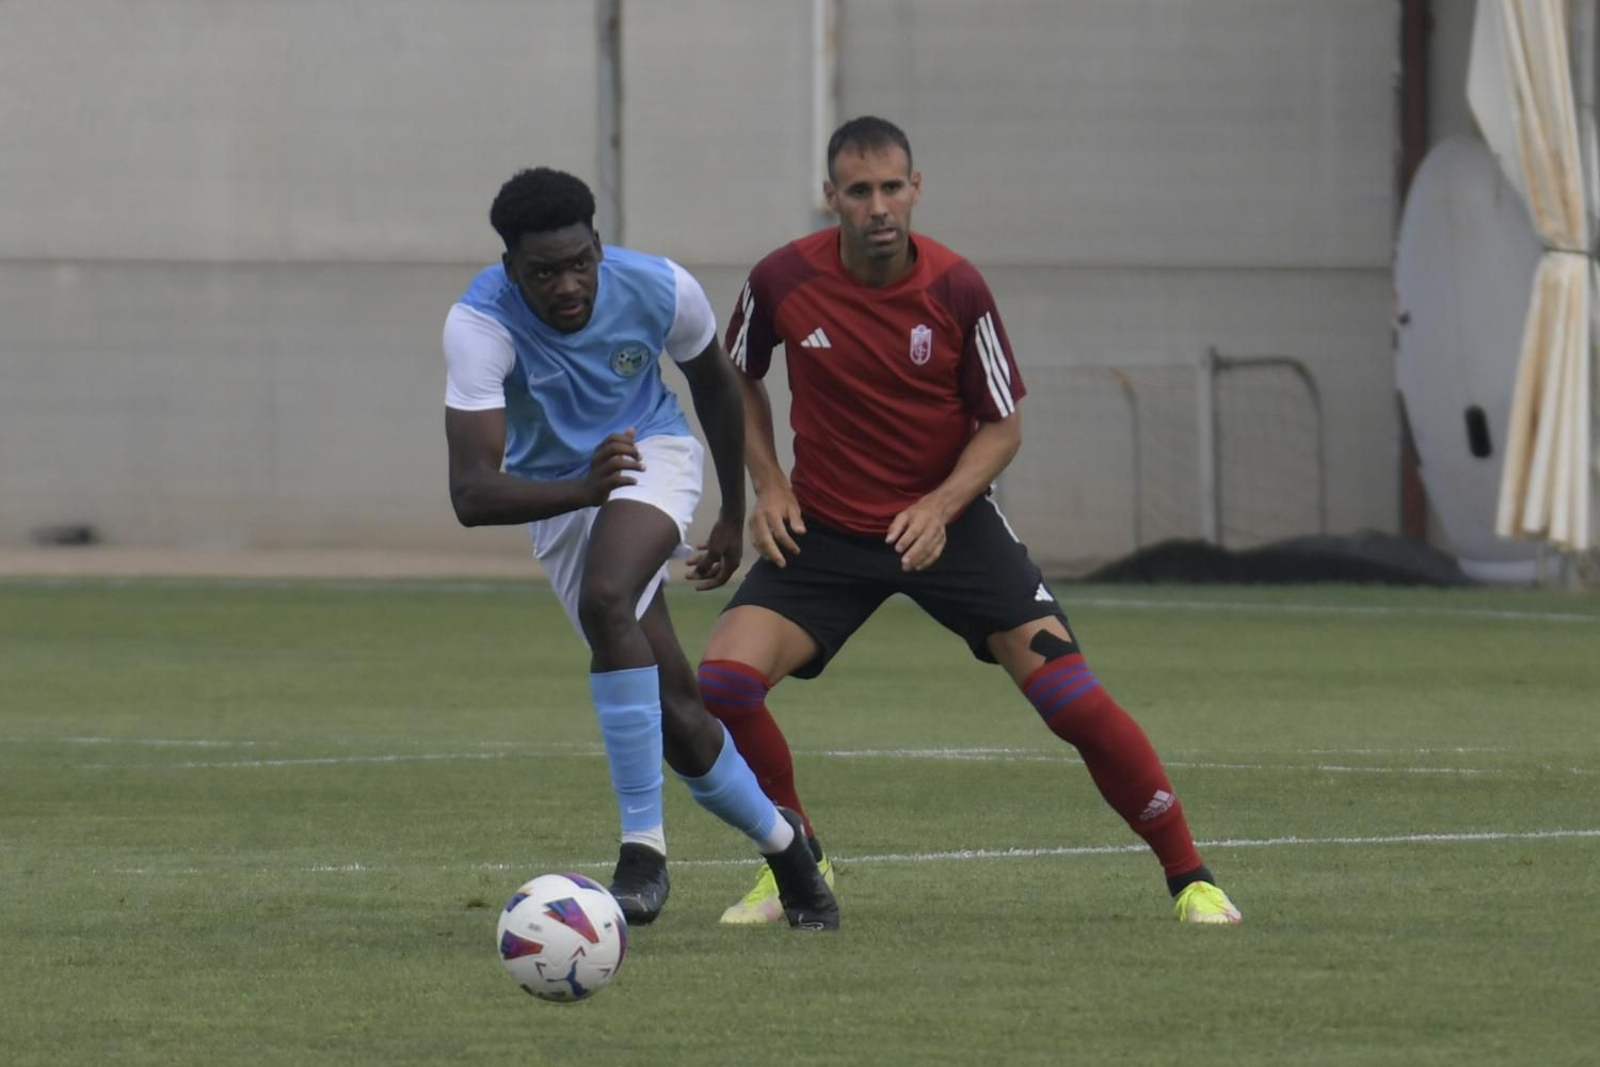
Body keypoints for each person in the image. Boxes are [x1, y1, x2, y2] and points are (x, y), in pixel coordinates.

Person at [697, 117, 1242, 926]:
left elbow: (1004, 425)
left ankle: (1190, 876)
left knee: (1074, 701)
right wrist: (770, 483)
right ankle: (797, 863)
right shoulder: (780, 280)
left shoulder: (957, 287)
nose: (878, 206)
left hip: (952, 528)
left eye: (892, 188)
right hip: (827, 531)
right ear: (831, 198)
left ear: (916, 189)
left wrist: (940, 503)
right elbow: (736, 378)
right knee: (722, 683)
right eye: (859, 191)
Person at [442, 167, 837, 931]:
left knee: (606, 596)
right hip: (556, 492)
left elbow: (716, 385)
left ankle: (643, 852)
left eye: (580, 261)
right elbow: (471, 493)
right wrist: (583, 490)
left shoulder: (660, 288)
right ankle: (794, 856)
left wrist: (731, 511)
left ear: (599, 244)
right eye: (543, 272)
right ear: (509, 270)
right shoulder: (478, 325)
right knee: (680, 714)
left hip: (650, 450)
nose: (568, 285)